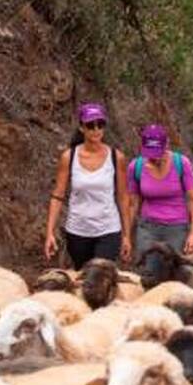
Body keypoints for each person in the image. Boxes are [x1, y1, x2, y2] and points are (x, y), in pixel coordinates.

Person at [44, 103, 129, 269]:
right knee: (82, 278)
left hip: (108, 229)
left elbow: (123, 197)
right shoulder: (69, 157)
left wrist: (126, 235)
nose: (96, 129)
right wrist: (49, 233)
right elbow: (58, 196)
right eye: (90, 125)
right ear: (82, 128)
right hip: (78, 230)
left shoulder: (116, 157)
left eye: (100, 124)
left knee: (100, 275)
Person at [126, 124, 193, 256]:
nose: (155, 157)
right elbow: (133, 204)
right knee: (149, 270)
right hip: (148, 227)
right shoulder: (136, 166)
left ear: (166, 145)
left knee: (172, 271)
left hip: (176, 226)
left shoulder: (181, 163)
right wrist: (126, 236)